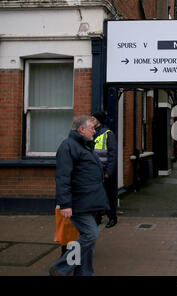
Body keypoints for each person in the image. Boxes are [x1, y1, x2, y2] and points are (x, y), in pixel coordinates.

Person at [49, 116, 109, 276]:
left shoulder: (83, 146)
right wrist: (65, 204)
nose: (94, 131)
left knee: (88, 241)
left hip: (88, 201)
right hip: (78, 202)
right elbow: (63, 177)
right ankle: (60, 268)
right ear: (81, 129)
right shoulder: (68, 146)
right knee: (90, 235)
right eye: (91, 128)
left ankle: (84, 273)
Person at [91, 111, 118, 228]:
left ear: (98, 120)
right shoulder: (91, 133)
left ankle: (112, 217)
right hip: (94, 172)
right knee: (95, 195)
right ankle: (97, 217)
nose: (91, 120)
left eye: (93, 118)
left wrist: (108, 172)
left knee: (108, 196)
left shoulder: (108, 134)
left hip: (105, 171)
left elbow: (113, 155)